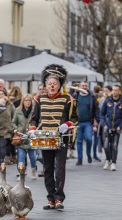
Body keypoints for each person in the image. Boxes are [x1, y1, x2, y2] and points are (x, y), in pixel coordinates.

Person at [29, 64, 78, 211]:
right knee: (48, 168)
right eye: (49, 83)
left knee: (60, 169)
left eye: (55, 83)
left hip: (61, 138)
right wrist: (32, 130)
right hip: (44, 138)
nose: (52, 86)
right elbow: (34, 119)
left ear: (59, 85)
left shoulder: (68, 99)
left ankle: (59, 198)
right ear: (45, 84)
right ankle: (50, 198)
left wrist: (67, 124)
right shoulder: (39, 99)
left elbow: (75, 119)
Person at [12, 94, 37, 179]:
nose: (27, 102)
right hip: (21, 136)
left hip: (31, 136)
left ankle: (33, 170)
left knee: (32, 157)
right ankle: (21, 173)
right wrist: (15, 129)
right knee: (21, 157)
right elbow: (13, 122)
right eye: (26, 100)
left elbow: (37, 121)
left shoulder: (34, 111)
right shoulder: (18, 110)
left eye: (29, 100)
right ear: (23, 101)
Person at [74, 81, 99, 165]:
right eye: (83, 86)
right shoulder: (75, 96)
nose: (84, 87)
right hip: (78, 123)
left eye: (85, 85)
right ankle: (80, 159)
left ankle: (88, 154)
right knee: (79, 141)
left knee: (89, 138)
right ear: (79, 87)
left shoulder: (92, 96)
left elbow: (96, 109)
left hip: (88, 122)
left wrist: (96, 121)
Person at [100, 84, 122, 171]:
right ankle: (107, 160)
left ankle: (113, 162)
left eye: (116, 90)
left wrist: (120, 126)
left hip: (117, 127)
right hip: (107, 126)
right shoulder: (107, 100)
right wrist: (104, 124)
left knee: (115, 145)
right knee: (105, 146)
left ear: (119, 91)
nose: (114, 92)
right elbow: (101, 114)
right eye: (113, 90)